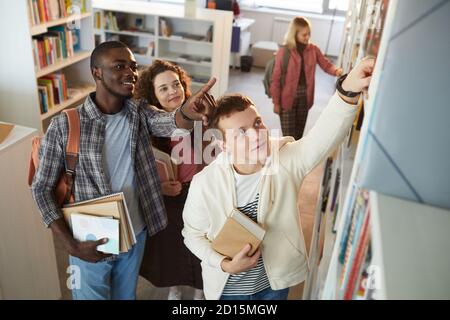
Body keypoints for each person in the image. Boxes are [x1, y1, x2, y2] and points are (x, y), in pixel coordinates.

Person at [31, 41, 216, 300]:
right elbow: (41, 189)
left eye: (133, 66)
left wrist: (188, 109)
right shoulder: (65, 125)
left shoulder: (140, 113)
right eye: (119, 66)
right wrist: (70, 244)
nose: (130, 73)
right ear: (96, 72)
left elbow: (170, 121)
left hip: (135, 235)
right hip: (89, 239)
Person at [182, 58, 374, 300]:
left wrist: (347, 90)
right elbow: (192, 235)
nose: (256, 135)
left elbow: (323, 137)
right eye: (241, 132)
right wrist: (224, 264)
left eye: (257, 123)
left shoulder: (283, 161)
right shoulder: (205, 183)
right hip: (227, 291)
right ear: (224, 146)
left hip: (273, 287)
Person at [134, 60, 205, 300]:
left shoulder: (199, 116)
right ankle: (174, 288)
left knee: (201, 246)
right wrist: (160, 187)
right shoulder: (149, 126)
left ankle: (199, 292)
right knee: (173, 248)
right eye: (163, 88)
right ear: (152, 95)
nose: (173, 91)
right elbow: (138, 172)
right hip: (169, 197)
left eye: (176, 84)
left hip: (200, 195)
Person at [271, 16, 343, 140]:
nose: (307, 37)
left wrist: (336, 71)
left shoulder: (313, 50)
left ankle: (296, 159)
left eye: (309, 34)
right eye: (304, 34)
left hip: (305, 97)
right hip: (287, 98)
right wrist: (276, 102)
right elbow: (276, 79)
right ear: (294, 34)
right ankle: (287, 158)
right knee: (288, 137)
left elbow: (325, 64)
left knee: (298, 136)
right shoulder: (284, 52)